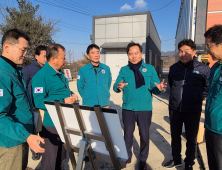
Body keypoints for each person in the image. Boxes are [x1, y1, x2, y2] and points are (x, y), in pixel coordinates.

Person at [113, 42, 167, 170]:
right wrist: (118, 86)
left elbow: (155, 87)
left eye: (136, 53)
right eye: (130, 54)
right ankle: (127, 156)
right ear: (128, 55)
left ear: (141, 53)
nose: (133, 56)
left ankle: (143, 160)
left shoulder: (149, 69)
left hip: (144, 109)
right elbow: (116, 85)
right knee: (127, 135)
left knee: (144, 136)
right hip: (128, 109)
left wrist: (159, 88)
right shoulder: (124, 70)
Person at [0, 29, 45, 170]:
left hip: (22, 138)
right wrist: (26, 135)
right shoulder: (2, 75)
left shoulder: (16, 71)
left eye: (27, 50)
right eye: (23, 50)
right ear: (6, 47)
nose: (26, 54)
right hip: (10, 144)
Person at [163, 39, 210, 170]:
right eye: (180, 51)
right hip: (175, 109)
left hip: (193, 110)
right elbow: (172, 86)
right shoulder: (173, 68)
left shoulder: (203, 69)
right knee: (175, 136)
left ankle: (189, 161)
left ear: (194, 52)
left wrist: (197, 99)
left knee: (191, 138)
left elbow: (206, 88)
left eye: (187, 51)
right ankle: (176, 159)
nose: (183, 54)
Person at [32, 44, 78, 170]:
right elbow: (39, 102)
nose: (65, 60)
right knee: (50, 161)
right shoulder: (41, 76)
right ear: (53, 59)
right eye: (63, 58)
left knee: (62, 157)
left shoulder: (60, 74)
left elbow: (63, 91)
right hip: (50, 124)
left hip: (64, 121)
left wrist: (71, 95)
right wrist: (63, 101)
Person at [22, 45, 48, 161]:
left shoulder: (47, 69)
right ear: (36, 56)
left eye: (47, 56)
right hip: (33, 107)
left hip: (45, 106)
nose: (46, 58)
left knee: (44, 129)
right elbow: (22, 88)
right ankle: (34, 151)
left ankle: (44, 148)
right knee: (34, 130)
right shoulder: (28, 70)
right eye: (43, 56)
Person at [204, 25, 222, 170]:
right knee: (213, 164)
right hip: (210, 126)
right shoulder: (216, 67)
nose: (207, 51)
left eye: (209, 46)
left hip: (221, 130)